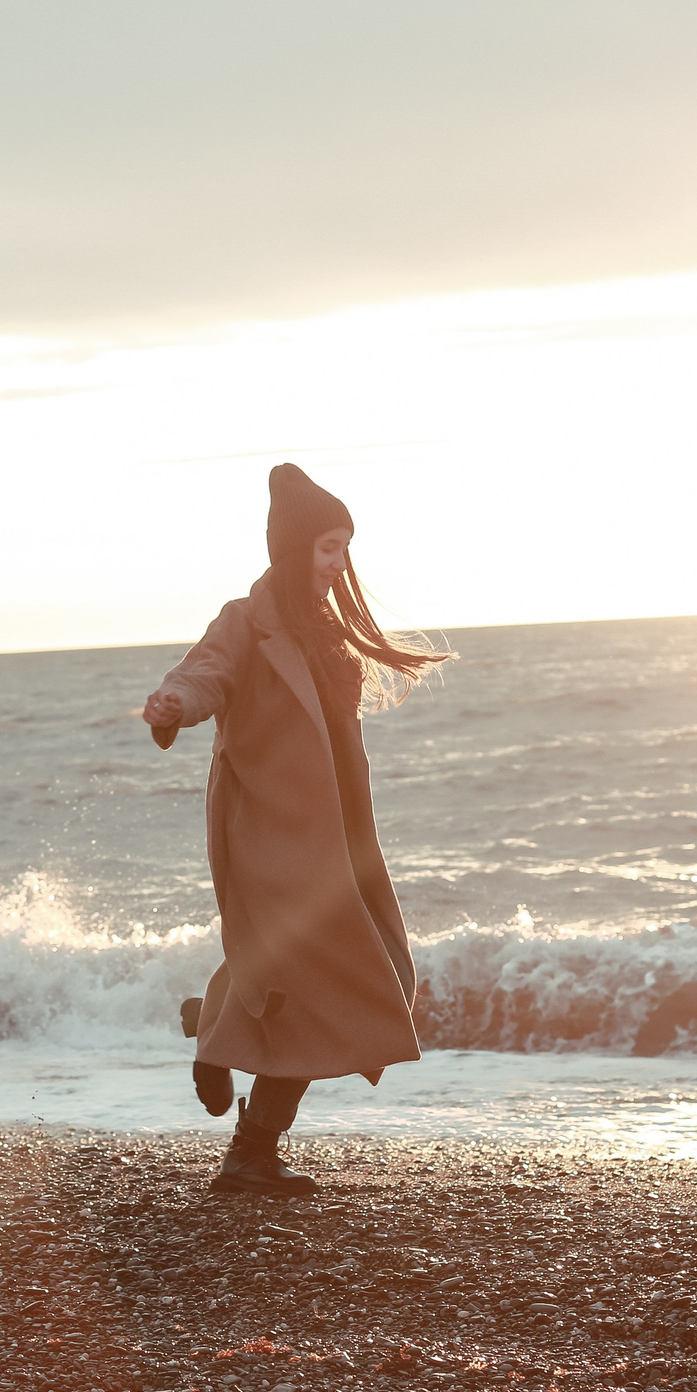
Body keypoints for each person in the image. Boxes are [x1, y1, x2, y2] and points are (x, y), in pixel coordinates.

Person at [141, 463, 449, 1194]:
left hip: (339, 844)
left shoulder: (328, 630)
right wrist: (173, 703)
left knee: (359, 981)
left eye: (343, 546)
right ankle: (249, 1148)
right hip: (272, 844)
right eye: (326, 546)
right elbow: (205, 673)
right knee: (325, 992)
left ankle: (216, 1037)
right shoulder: (245, 621)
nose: (338, 562)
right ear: (291, 548)